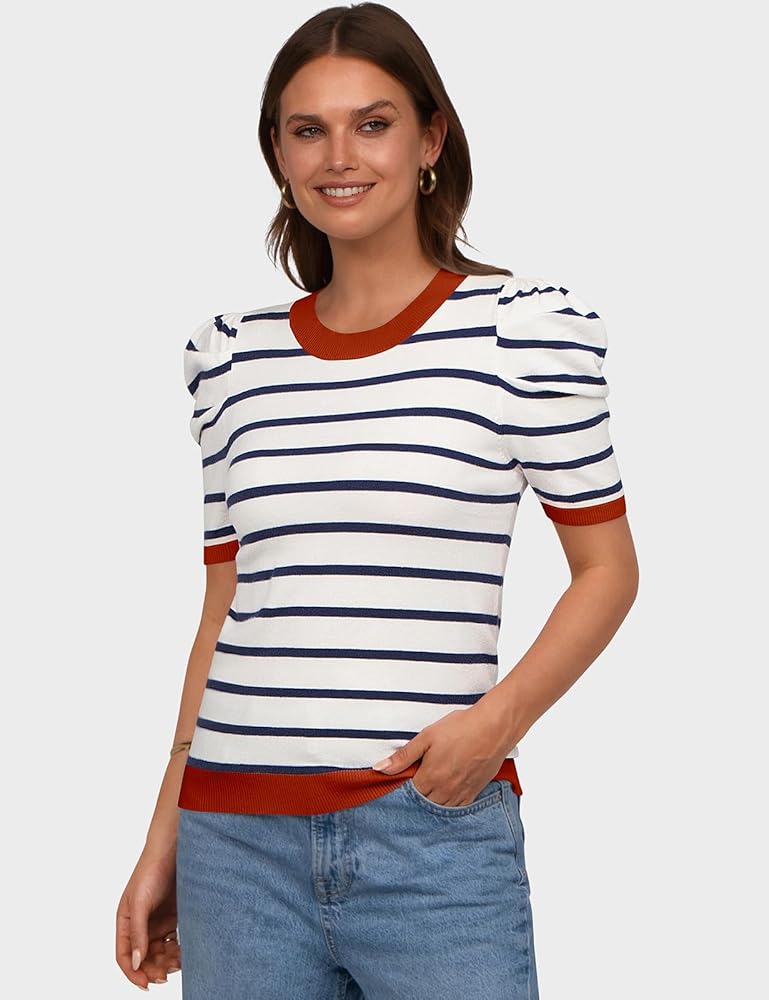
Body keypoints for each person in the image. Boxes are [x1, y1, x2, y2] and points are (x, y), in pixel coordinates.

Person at [115, 3, 639, 996]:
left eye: (373, 122)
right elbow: (224, 610)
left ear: (429, 139)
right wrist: (163, 836)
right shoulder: (230, 358)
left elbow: (607, 571)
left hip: (432, 838)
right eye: (307, 129)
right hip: (233, 844)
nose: (339, 156)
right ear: (277, 153)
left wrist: (494, 726)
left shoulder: (523, 332)